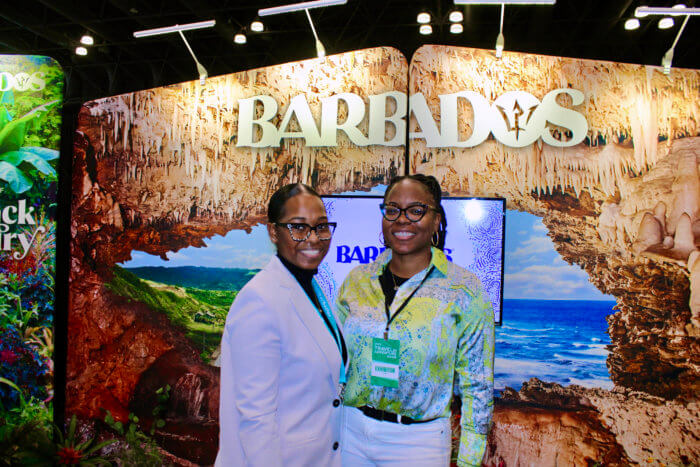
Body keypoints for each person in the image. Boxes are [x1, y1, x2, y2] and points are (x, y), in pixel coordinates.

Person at [336, 174, 495, 466]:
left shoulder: (464, 289)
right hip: (350, 432)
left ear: (436, 220)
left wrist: (469, 460)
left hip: (417, 444)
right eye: (393, 209)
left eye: (416, 210)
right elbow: (331, 359)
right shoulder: (357, 280)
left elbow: (477, 385)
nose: (402, 219)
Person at [216, 183, 347, 467]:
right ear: (274, 232)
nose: (313, 238)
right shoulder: (259, 301)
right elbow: (256, 418)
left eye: (321, 226)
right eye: (298, 228)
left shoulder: (312, 289)